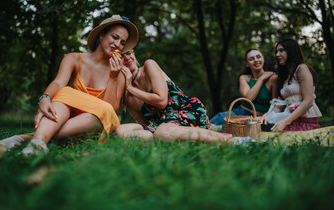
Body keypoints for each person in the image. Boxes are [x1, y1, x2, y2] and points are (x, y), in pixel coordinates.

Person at [0, 14, 139, 155]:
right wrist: (45, 98)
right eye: (115, 37)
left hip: (97, 125)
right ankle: (38, 143)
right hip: (72, 121)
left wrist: (113, 76)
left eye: (123, 43)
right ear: (101, 35)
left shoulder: (120, 72)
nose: (118, 44)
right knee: (63, 93)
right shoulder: (74, 58)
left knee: (88, 106)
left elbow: (110, 110)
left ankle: (24, 138)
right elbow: (58, 82)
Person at [115, 48, 254, 145]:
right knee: (121, 131)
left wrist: (130, 87)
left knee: (162, 132)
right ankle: (178, 140)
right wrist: (128, 89)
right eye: (121, 56)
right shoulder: (128, 99)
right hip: (165, 127)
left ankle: (234, 141)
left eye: (129, 53)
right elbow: (145, 124)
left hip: (187, 110)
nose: (127, 58)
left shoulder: (148, 66)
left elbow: (161, 101)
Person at [261, 39, 322, 132]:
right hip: (289, 121)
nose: (277, 55)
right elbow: (278, 105)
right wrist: (267, 115)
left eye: (281, 50)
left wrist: (285, 121)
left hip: (305, 122)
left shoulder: (302, 68)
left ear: (291, 51)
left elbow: (308, 101)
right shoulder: (284, 77)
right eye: (276, 51)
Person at [209, 49, 277, 126]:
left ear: (263, 58)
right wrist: (261, 79)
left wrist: (267, 114)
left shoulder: (273, 79)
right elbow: (249, 99)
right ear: (247, 64)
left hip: (260, 118)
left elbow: (275, 104)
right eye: (251, 59)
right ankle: (193, 131)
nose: (256, 60)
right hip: (240, 113)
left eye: (258, 57)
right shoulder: (244, 78)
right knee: (218, 119)